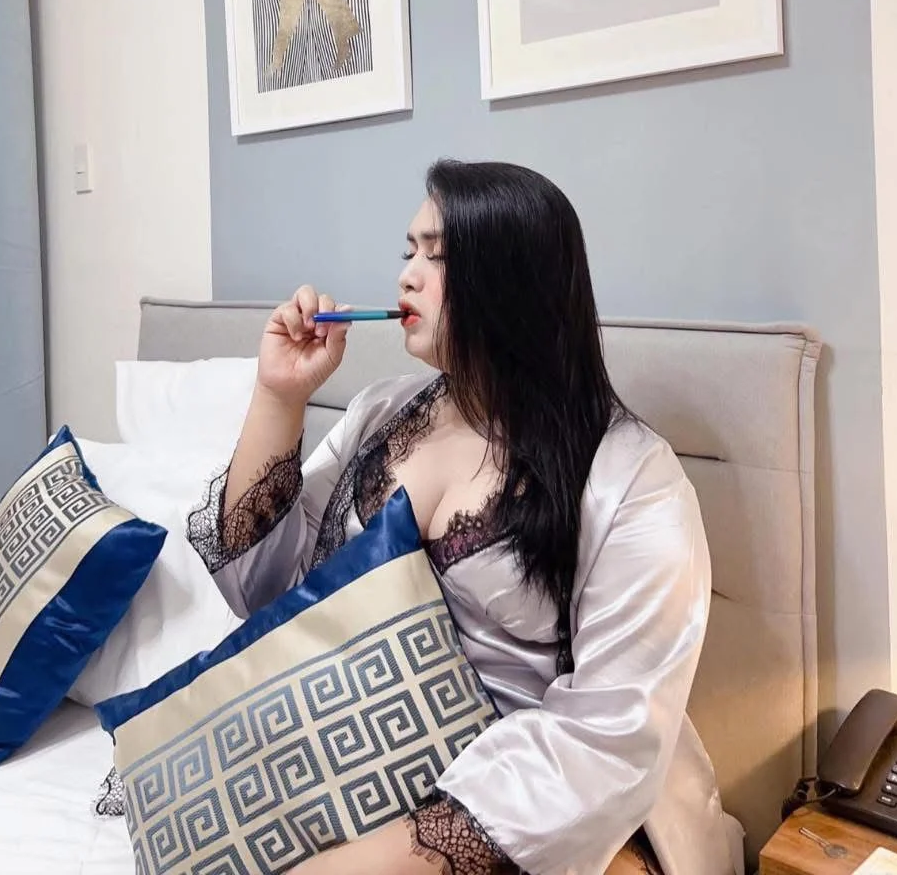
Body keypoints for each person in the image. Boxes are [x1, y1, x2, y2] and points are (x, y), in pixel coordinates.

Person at [187, 160, 737, 875]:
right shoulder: (380, 413)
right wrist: (278, 395)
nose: (407, 276)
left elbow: (603, 746)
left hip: (547, 821)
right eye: (408, 252)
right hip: (356, 782)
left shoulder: (633, 481)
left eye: (437, 256)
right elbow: (260, 592)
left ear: (514, 279)